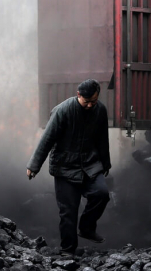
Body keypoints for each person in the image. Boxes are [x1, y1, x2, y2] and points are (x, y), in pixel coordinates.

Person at [26, 79, 111, 256]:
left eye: (93, 101)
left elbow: (103, 138)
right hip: (65, 167)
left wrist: (105, 163)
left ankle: (87, 228)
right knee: (68, 211)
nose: (90, 105)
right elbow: (47, 139)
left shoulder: (100, 110)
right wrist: (34, 166)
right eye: (86, 101)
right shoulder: (63, 110)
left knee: (101, 194)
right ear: (78, 95)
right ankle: (67, 250)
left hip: (90, 164)